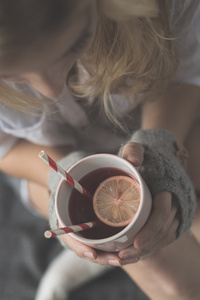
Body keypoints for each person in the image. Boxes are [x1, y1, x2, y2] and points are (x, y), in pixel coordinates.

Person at [0, 0, 200, 299]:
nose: (50, 90)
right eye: (10, 75)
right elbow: (7, 147)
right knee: (175, 282)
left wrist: (161, 140)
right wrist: (58, 175)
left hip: (167, 118)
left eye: (74, 44)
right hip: (43, 166)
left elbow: (185, 72)